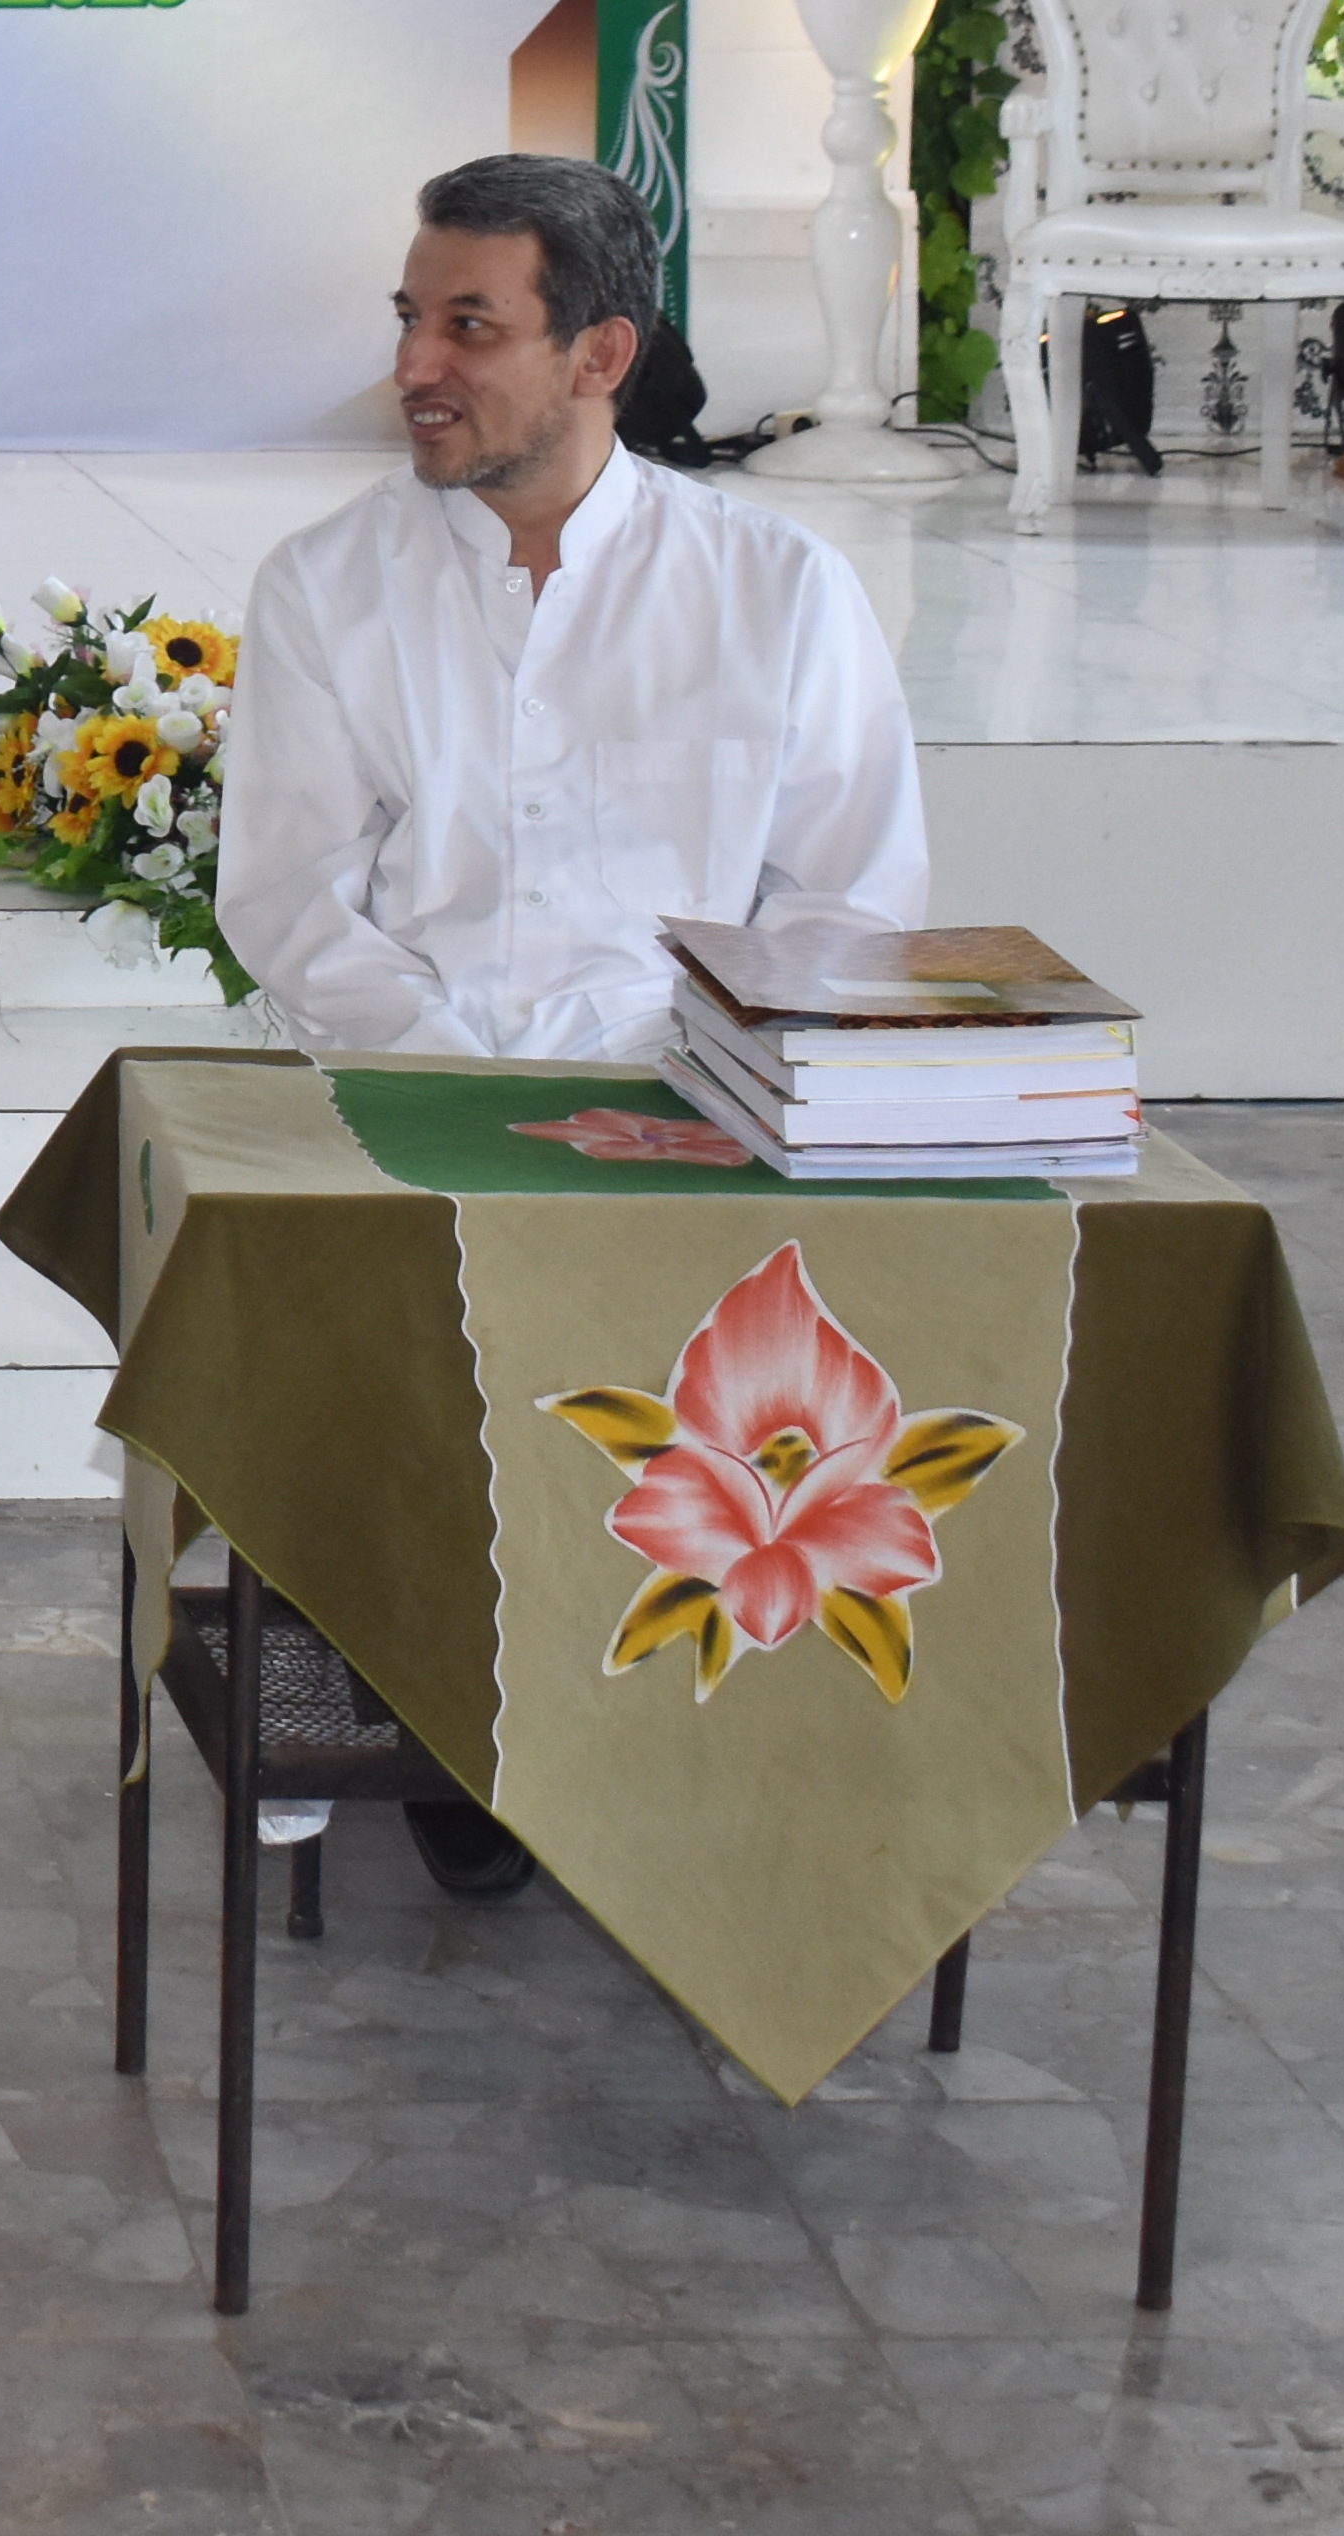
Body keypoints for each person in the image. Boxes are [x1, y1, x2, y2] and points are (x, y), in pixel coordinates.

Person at [218, 148, 929, 1901]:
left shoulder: (777, 589)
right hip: (410, 1099)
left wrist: (684, 1090)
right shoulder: (327, 586)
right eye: (409, 318)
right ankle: (434, 1700)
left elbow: (844, 910)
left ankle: (666, 1726)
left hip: (689, 1119)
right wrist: (466, 1091)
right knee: (367, 1315)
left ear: (601, 354)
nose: (416, 365)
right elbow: (291, 904)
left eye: (471, 326)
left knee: (761, 1346)